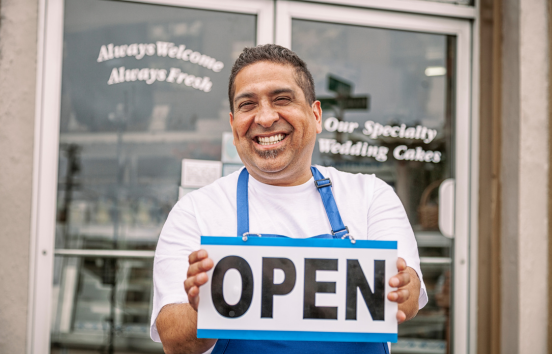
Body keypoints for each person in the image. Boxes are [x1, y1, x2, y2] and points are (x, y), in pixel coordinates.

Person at [150, 44, 427, 354]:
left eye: (282, 99)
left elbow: (409, 298)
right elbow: (173, 340)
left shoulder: (370, 196)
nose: (265, 118)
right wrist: (205, 310)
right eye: (248, 104)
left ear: (316, 115)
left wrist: (403, 289)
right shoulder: (196, 211)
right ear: (233, 123)